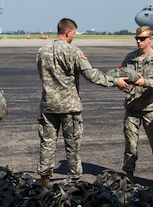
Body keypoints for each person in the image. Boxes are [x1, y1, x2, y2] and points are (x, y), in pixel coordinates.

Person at [36, 18, 128, 187]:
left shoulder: (42, 51)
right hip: (69, 106)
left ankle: (45, 180)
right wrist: (115, 81)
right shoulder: (74, 52)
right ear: (68, 32)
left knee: (47, 144)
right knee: (72, 145)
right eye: (74, 34)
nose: (74, 37)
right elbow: (92, 75)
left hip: (48, 104)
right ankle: (73, 182)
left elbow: (43, 76)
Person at [120, 26, 153, 190]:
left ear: (151, 39)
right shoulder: (130, 58)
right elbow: (120, 73)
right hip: (132, 108)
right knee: (130, 145)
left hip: (151, 108)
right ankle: (129, 174)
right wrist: (120, 82)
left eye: (142, 38)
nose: (139, 41)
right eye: (137, 38)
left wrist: (146, 82)